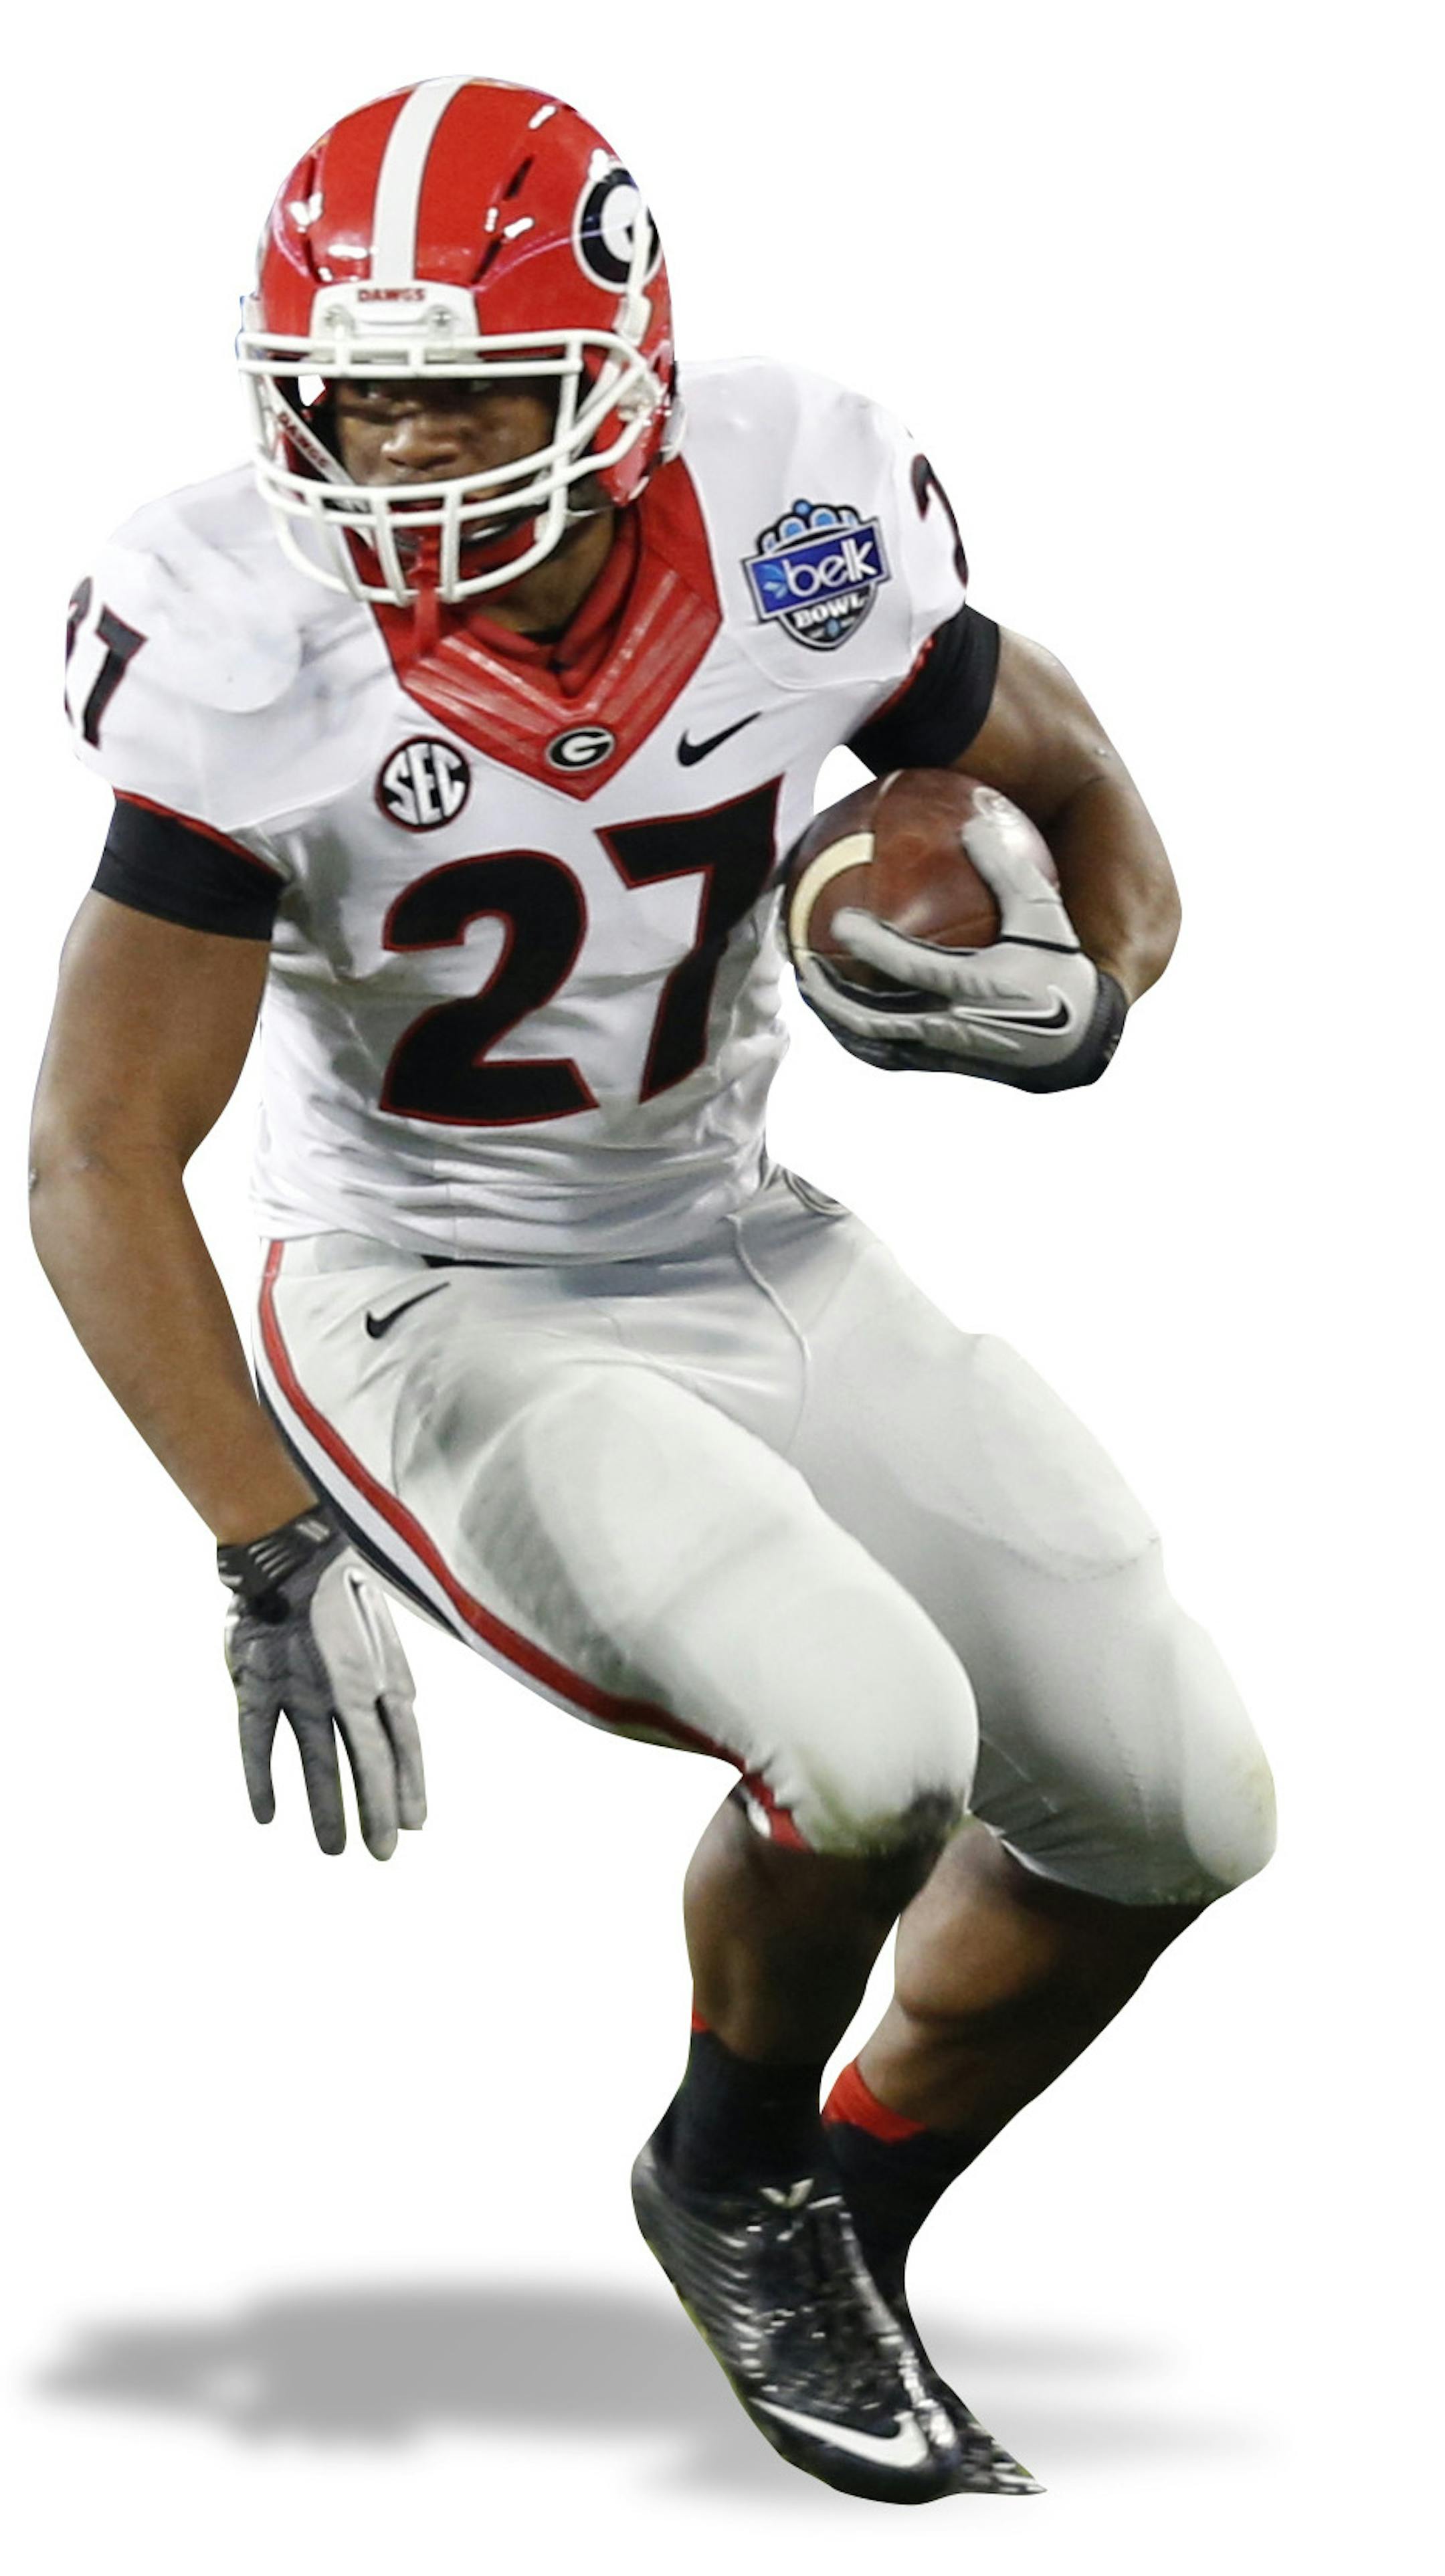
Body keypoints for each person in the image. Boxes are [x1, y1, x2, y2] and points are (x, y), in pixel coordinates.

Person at [30, 75, 1276, 2506]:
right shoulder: (243, 638)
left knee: (1178, 1808)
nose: (396, 461)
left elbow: (1086, 781)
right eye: (350, 396)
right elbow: (97, 1148)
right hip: (426, 1283)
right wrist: (265, 1537)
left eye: (461, 394)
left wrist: (1091, 989)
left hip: (732, 1225)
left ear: (621, 371)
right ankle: (735, 2182)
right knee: (872, 1734)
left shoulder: (808, 512)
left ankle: (841, 2203)